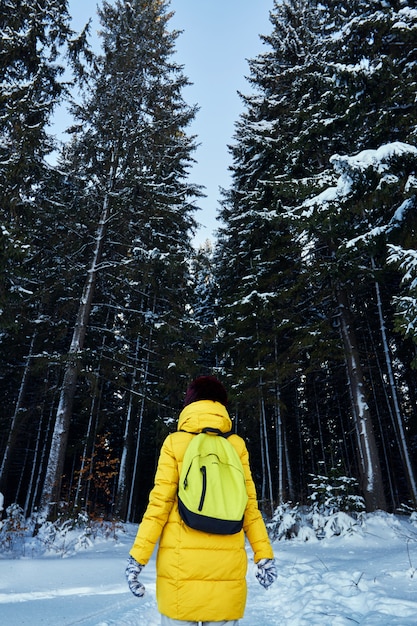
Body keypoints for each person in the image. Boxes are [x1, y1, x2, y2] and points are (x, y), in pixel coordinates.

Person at [126, 375, 277, 625]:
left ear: (189, 404)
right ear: (222, 406)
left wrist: (137, 558)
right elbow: (250, 506)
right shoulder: (236, 445)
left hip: (179, 571)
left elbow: (158, 506)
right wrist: (264, 556)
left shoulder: (175, 443)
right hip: (227, 572)